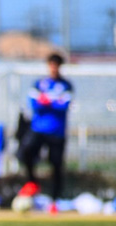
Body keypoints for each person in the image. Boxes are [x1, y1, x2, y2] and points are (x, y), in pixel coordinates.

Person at [17, 53, 73, 213]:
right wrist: (53, 102)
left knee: (56, 165)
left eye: (57, 65)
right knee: (25, 152)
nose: (54, 68)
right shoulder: (39, 84)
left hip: (57, 132)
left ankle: (55, 201)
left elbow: (64, 106)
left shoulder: (66, 85)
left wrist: (47, 101)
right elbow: (34, 104)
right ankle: (32, 182)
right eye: (51, 64)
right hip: (38, 129)